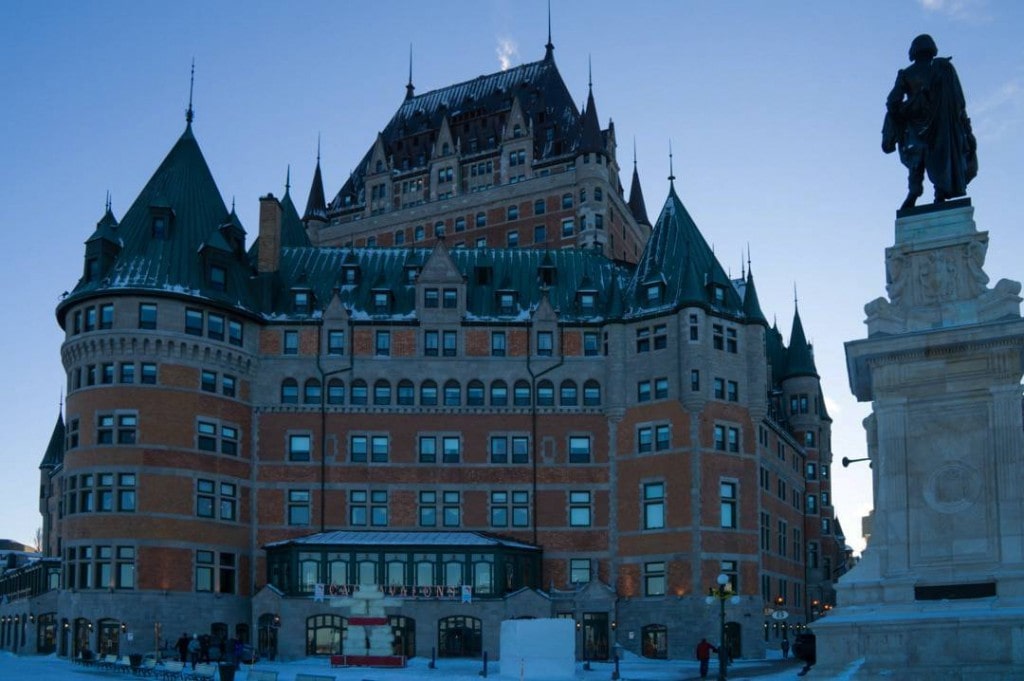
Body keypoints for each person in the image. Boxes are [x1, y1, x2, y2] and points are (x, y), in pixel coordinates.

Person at [883, 34, 977, 210]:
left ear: (913, 52)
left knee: (916, 160)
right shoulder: (943, 68)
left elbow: (892, 102)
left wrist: (903, 112)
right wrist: (964, 125)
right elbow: (958, 101)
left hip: (914, 127)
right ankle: (939, 194)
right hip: (941, 125)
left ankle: (913, 193)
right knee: (940, 157)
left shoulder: (906, 74)